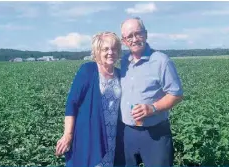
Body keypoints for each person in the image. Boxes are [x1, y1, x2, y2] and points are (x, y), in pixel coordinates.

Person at [119, 17, 184, 166]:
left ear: (146, 34)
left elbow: (176, 94)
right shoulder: (123, 62)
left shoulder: (161, 61)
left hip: (155, 134)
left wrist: (153, 108)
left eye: (138, 33)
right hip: (127, 133)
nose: (134, 39)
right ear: (124, 41)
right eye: (129, 36)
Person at [54, 31, 123, 167]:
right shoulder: (88, 70)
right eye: (106, 49)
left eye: (114, 48)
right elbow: (71, 104)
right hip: (91, 133)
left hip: (112, 135)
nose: (111, 52)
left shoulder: (119, 74)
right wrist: (67, 134)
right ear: (97, 51)